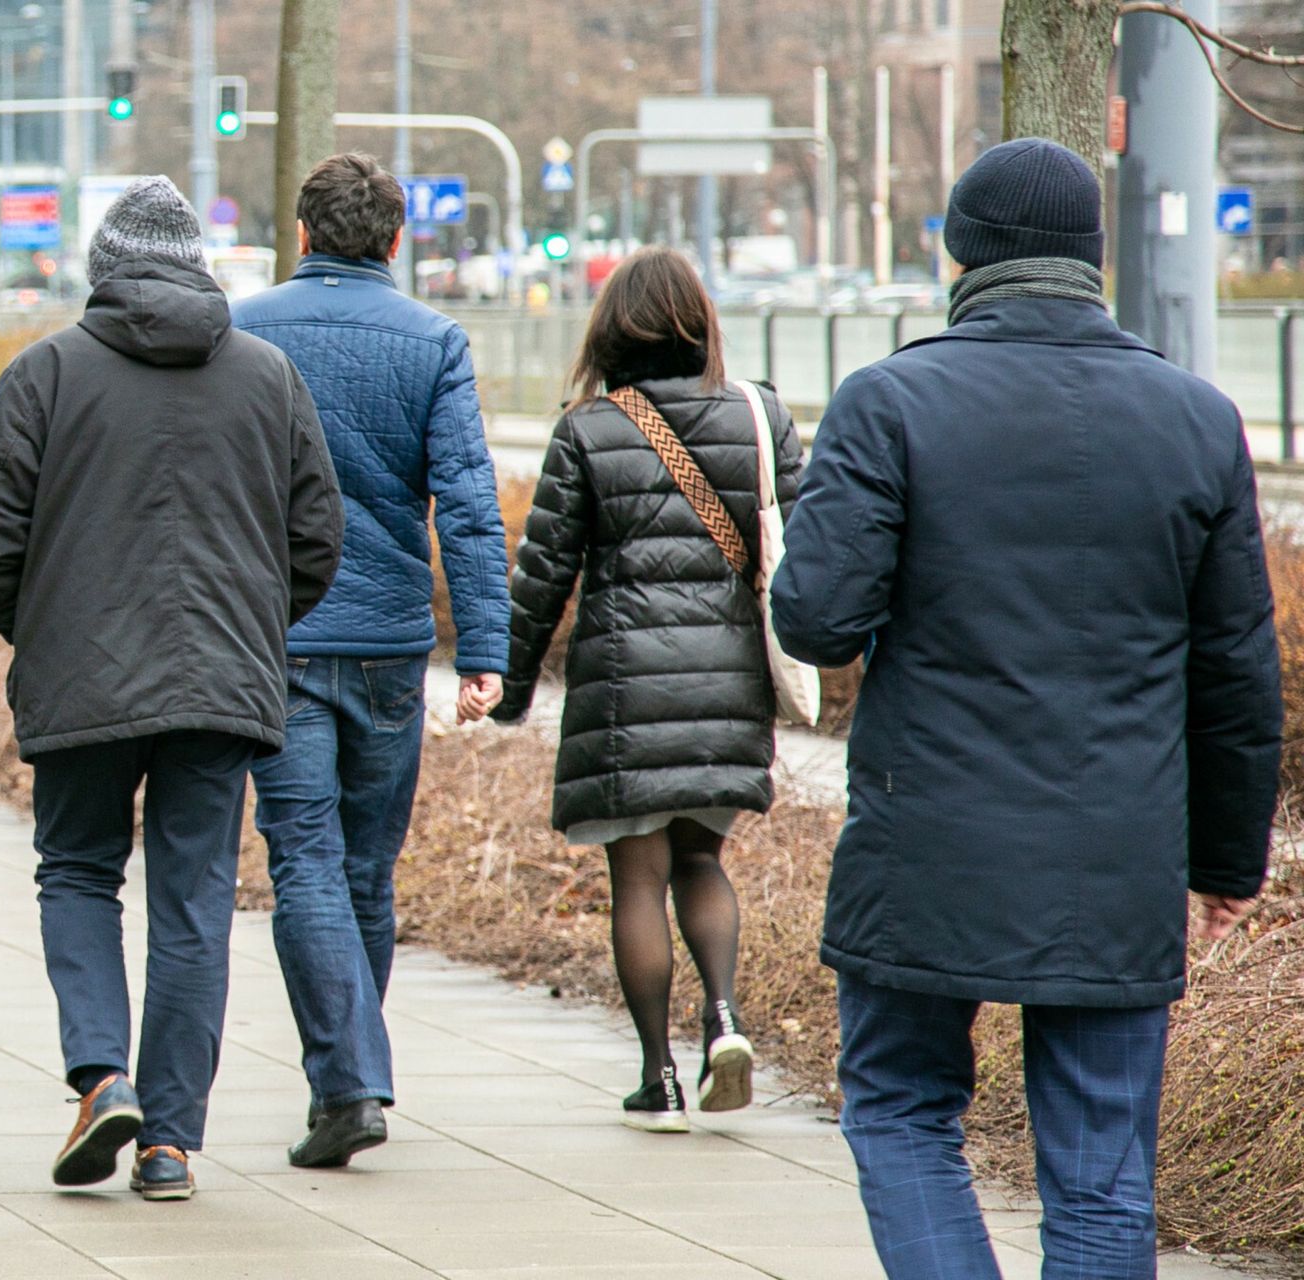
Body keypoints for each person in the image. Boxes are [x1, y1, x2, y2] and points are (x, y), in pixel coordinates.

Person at [772, 138, 1282, 1277]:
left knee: (902, 1107)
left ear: (963, 255)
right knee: (1103, 1172)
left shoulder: (890, 400)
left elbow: (814, 620)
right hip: (1118, 847)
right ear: (1091, 259)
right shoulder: (1197, 418)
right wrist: (1224, 864)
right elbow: (1238, 675)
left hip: (929, 838)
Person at [0, 175, 343, 1202]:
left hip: (82, 671)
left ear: (103, 270)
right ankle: (168, 1139)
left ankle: (102, 1075)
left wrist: (40, 626)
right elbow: (316, 537)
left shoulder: (42, 374)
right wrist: (255, 627)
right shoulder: (270, 378)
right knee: (194, 899)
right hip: (222, 680)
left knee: (78, 869)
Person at [231, 152, 511, 1168]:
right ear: (397, 239)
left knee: (301, 856)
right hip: (392, 641)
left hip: (283, 635)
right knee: (364, 869)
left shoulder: (246, 330)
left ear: (302, 232)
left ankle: (346, 1080)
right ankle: (346, 1075)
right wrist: (485, 648)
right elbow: (470, 506)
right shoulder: (435, 341)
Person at [494, 247, 801, 1132]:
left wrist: (512, 690)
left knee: (639, 875)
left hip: (626, 692)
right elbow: (808, 548)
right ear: (699, 323)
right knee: (703, 860)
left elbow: (542, 577)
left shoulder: (588, 431)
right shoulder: (760, 416)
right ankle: (727, 1021)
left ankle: (657, 1076)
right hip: (729, 682)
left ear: (610, 330)